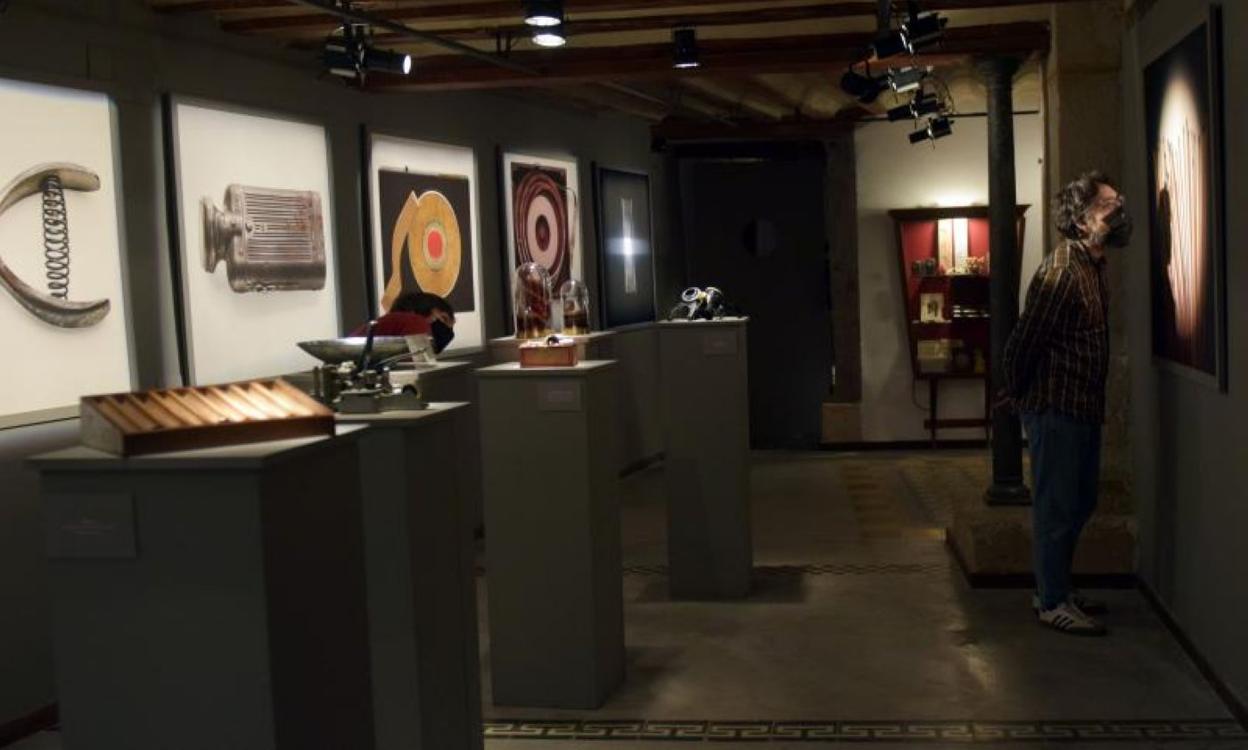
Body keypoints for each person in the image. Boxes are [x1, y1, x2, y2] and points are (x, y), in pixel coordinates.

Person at [1001, 171, 1132, 636]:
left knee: (1080, 501)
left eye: (1118, 201)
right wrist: (1016, 391)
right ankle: (1051, 600)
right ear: (1080, 219)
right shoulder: (1061, 270)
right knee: (1056, 508)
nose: (1119, 210)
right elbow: (1025, 340)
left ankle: (1057, 586)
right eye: (1107, 205)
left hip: (1081, 405)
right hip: (1056, 407)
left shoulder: (1092, 265)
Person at [351, 291, 457, 354]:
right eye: (444, 318)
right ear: (424, 308)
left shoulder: (393, 322)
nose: (447, 330)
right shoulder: (415, 321)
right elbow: (419, 368)